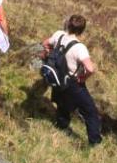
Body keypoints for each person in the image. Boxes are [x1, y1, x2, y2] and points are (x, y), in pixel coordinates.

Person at [43, 14, 102, 146]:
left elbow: (45, 43)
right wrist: (82, 78)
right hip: (72, 82)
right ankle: (95, 142)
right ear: (82, 30)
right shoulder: (79, 48)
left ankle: (61, 125)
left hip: (57, 77)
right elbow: (90, 69)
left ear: (68, 24)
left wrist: (49, 55)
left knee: (62, 103)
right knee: (90, 112)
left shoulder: (59, 35)